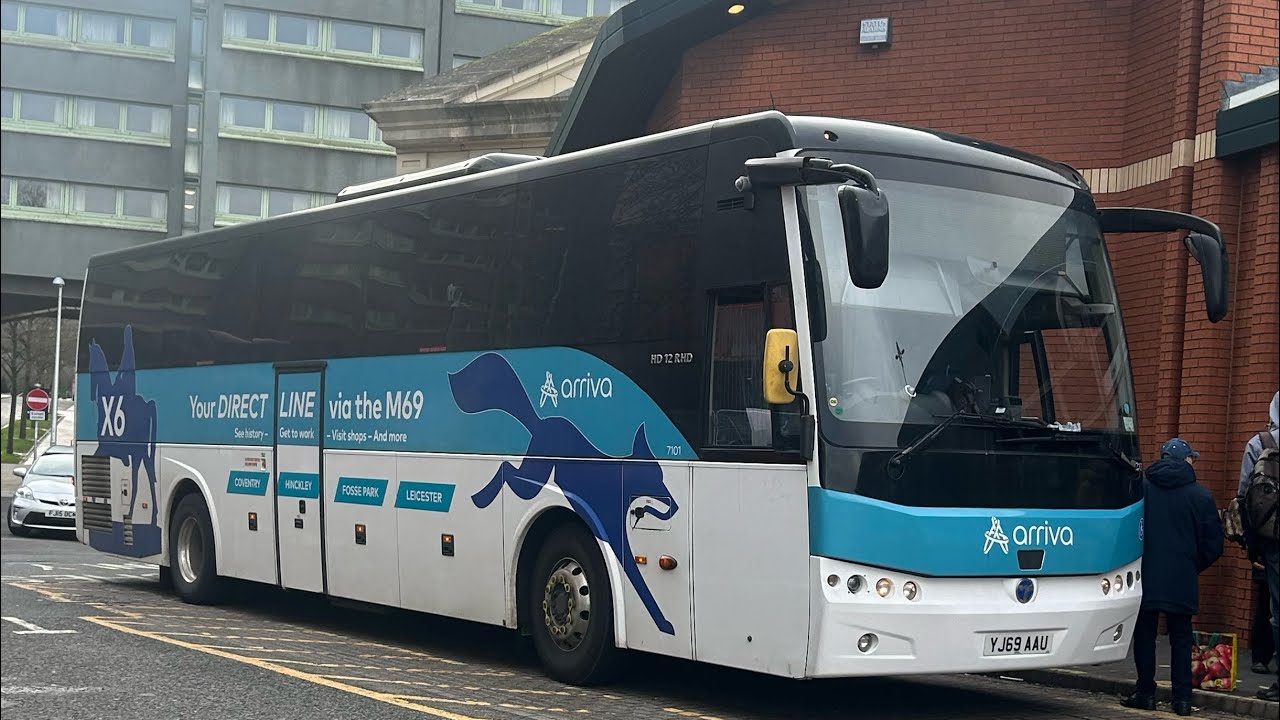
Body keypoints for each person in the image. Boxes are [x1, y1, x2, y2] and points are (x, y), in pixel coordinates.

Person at [1123, 438, 1225, 716]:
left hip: (1146, 574)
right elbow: (1214, 545)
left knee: (1145, 635)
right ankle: (1182, 700)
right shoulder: (1201, 496)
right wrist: (1192, 565)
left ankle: (1145, 692)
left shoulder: (1141, 490)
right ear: (1186, 460)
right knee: (1181, 638)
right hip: (1182, 577)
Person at [1238, 391, 1279, 702]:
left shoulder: (1261, 443)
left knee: (1276, 610)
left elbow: (1245, 496)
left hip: (1273, 540)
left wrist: (1253, 546)